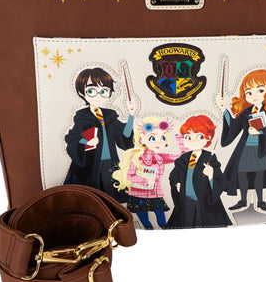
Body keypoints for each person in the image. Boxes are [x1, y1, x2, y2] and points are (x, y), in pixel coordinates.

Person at [217, 69, 266, 213]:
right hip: (246, 148)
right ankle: (243, 200)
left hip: (262, 149)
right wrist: (225, 110)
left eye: (260, 90)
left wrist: (260, 132)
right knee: (241, 173)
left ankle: (261, 201)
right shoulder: (246, 113)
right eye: (249, 92)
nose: (254, 95)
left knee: (259, 174)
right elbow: (233, 127)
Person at [64, 67, 136, 202]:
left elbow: (124, 135)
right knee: (89, 198)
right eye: (91, 91)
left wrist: (131, 116)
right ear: (81, 92)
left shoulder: (110, 116)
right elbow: (72, 138)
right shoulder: (82, 117)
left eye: (104, 91)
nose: (98, 96)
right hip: (90, 165)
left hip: (110, 164)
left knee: (111, 198)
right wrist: (86, 142)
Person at [113, 117, 184, 229]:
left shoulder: (161, 157)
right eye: (153, 138)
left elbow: (184, 157)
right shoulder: (136, 157)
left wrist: (179, 134)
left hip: (155, 195)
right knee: (147, 225)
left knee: (162, 223)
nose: (159, 142)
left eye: (162, 138)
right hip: (138, 196)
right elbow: (130, 176)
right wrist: (145, 180)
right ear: (142, 140)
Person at [166, 115, 231, 228]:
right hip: (186, 200)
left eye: (199, 136)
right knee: (186, 225)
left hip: (204, 201)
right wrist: (176, 184)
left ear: (208, 137)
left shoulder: (210, 157)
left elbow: (222, 180)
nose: (193, 141)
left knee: (204, 225)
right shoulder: (183, 158)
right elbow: (173, 175)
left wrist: (211, 176)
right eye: (188, 137)